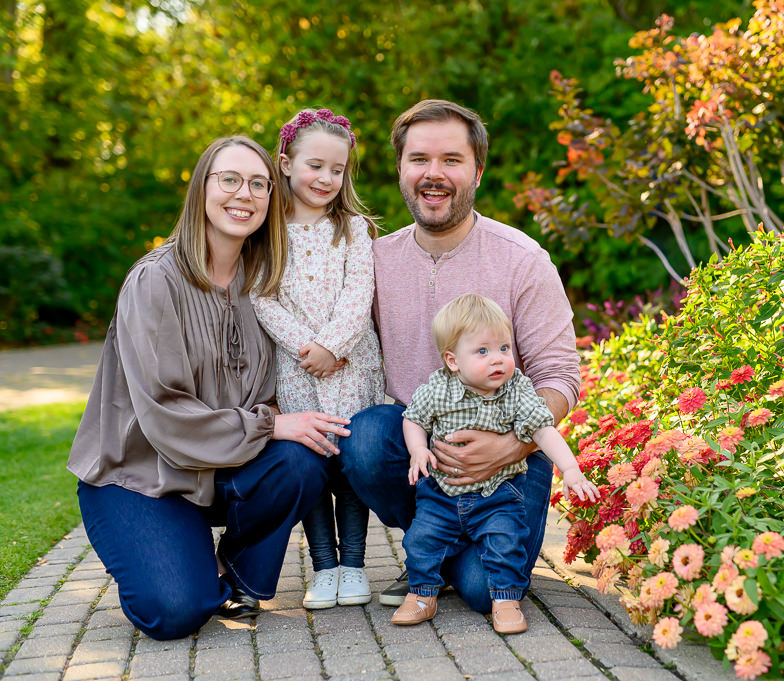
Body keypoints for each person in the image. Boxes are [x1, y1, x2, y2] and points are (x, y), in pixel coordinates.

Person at [67, 136, 351, 641]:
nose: (244, 194)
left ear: (272, 198)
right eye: (230, 179)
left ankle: (233, 576)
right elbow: (166, 416)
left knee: (305, 457)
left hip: (222, 470)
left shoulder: (264, 282)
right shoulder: (155, 281)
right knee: (175, 612)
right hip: (141, 476)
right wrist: (270, 422)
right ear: (202, 188)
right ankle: (180, 564)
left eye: (259, 184)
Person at [339, 99, 581, 615]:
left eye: (452, 159)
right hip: (423, 450)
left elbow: (560, 375)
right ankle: (430, 541)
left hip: (515, 459)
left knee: (480, 591)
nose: (434, 174)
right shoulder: (375, 262)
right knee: (363, 438)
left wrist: (510, 445)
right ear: (401, 168)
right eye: (419, 159)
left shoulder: (522, 260)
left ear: (478, 170)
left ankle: (445, 558)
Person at [392, 294, 598, 632]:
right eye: (483, 352)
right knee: (422, 540)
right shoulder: (438, 388)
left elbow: (544, 431)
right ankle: (421, 594)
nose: (498, 359)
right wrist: (417, 449)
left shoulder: (517, 389)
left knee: (505, 542)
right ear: (453, 361)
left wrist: (571, 469)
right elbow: (413, 419)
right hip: (442, 493)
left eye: (504, 348)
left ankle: (505, 600)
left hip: (498, 494)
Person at [253, 108, 383, 610]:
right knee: (312, 462)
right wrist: (307, 347)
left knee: (350, 464)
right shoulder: (268, 231)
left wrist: (334, 346)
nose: (327, 178)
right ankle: (323, 566)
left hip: (352, 364)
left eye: (337, 169)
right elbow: (262, 298)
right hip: (296, 368)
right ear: (285, 163)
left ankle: (353, 564)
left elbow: (359, 291)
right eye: (315, 166)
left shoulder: (351, 228)